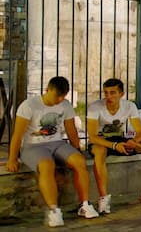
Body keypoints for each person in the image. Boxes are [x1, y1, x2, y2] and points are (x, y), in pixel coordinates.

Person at [6, 76, 99, 226]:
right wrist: (12, 159)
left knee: (79, 162)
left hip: (57, 143)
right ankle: (54, 210)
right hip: (33, 146)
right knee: (46, 166)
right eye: (57, 95)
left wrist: (76, 149)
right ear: (47, 90)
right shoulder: (29, 105)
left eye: (63, 96)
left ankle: (84, 204)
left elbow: (71, 129)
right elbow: (17, 134)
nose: (59, 99)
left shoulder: (65, 105)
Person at [86, 78, 141, 213]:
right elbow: (93, 137)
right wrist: (114, 145)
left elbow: (140, 131)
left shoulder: (129, 106)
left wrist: (134, 141)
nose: (108, 96)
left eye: (113, 93)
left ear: (121, 94)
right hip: (101, 141)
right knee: (99, 152)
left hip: (121, 139)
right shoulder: (95, 107)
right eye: (106, 93)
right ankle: (103, 198)